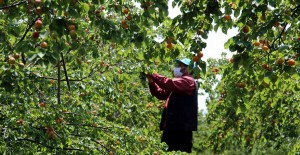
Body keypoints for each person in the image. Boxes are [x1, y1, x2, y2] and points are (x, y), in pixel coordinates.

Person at [147, 58, 198, 153]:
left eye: (180, 66)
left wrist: (153, 74)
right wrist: (151, 81)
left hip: (180, 131)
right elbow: (161, 94)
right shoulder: (178, 85)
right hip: (171, 129)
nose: (177, 68)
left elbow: (168, 83)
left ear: (189, 69)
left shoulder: (188, 81)